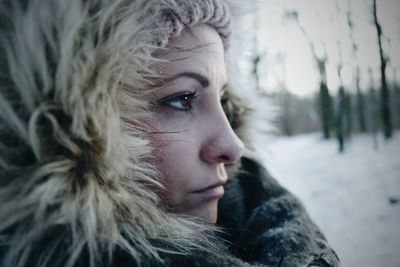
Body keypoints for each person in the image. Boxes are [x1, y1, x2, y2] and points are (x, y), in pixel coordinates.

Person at [0, 0, 339, 266]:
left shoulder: (260, 213)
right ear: (73, 136)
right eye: (182, 99)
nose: (232, 145)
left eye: (222, 98)